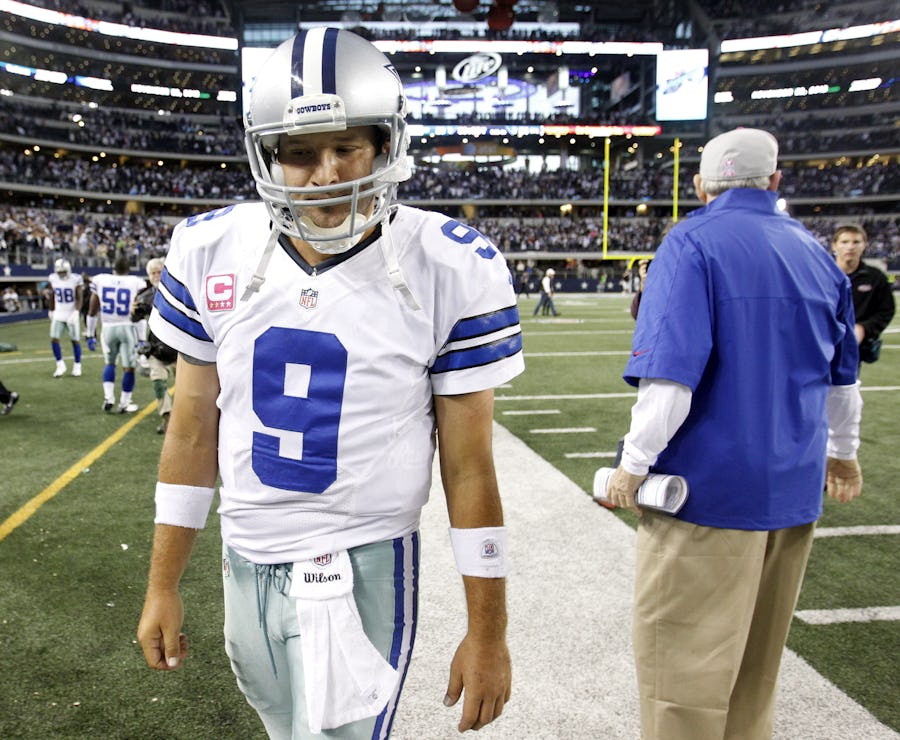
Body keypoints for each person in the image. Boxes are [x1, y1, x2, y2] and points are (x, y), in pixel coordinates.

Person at [137, 28, 523, 740]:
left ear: (385, 144)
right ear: (266, 155)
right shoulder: (209, 247)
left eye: (347, 147)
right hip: (243, 558)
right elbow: (191, 432)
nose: (327, 175)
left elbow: (470, 467)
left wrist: (488, 631)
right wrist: (163, 583)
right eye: (300, 153)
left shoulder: (448, 264)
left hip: (362, 561)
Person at [604, 128, 864, 740]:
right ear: (775, 181)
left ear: (700, 186)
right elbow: (843, 383)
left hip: (707, 495)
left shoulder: (691, 242)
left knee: (681, 676)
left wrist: (632, 465)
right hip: (792, 494)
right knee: (755, 673)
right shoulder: (818, 255)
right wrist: (845, 455)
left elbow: (671, 379)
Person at [87, 256, 147, 413]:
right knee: (129, 368)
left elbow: (92, 310)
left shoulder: (101, 280)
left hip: (107, 328)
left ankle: (108, 398)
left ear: (113, 269)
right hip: (127, 327)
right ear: (128, 269)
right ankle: (124, 403)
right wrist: (142, 338)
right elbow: (139, 312)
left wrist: (90, 334)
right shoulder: (136, 282)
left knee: (110, 363)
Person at [831, 223, 896, 366]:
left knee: (848, 380)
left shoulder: (875, 278)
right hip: (822, 343)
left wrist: (864, 328)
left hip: (853, 349)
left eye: (856, 242)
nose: (850, 247)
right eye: (844, 242)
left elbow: (886, 310)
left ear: (864, 245)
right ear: (834, 246)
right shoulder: (820, 275)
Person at [130, 257, 177, 433]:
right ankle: (167, 417)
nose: (156, 275)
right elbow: (136, 319)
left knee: (187, 388)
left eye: (159, 272)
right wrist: (134, 312)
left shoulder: (178, 291)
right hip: (157, 348)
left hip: (179, 348)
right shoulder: (145, 295)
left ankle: (184, 417)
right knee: (158, 384)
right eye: (153, 273)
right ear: (148, 276)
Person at [47, 258, 84, 377]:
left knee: (75, 340)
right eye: (60, 272)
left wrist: (76, 311)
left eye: (64, 271)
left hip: (71, 313)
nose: (62, 274)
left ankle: (77, 365)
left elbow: (79, 297)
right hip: (59, 313)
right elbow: (52, 295)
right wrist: (51, 309)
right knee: (54, 338)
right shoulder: (53, 278)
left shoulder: (76, 279)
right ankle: (60, 365)